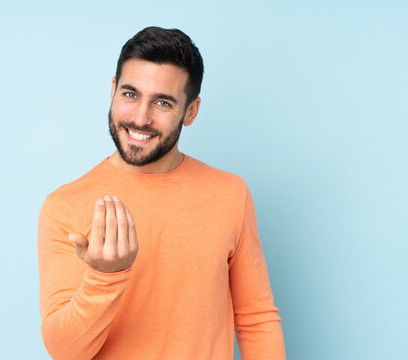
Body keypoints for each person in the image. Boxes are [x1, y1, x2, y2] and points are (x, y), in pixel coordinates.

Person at [37, 26, 286, 360]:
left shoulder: (230, 194)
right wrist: (105, 276)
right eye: (130, 94)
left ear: (191, 111)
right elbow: (65, 351)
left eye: (163, 102)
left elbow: (257, 321)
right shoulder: (65, 205)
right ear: (112, 90)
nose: (141, 118)